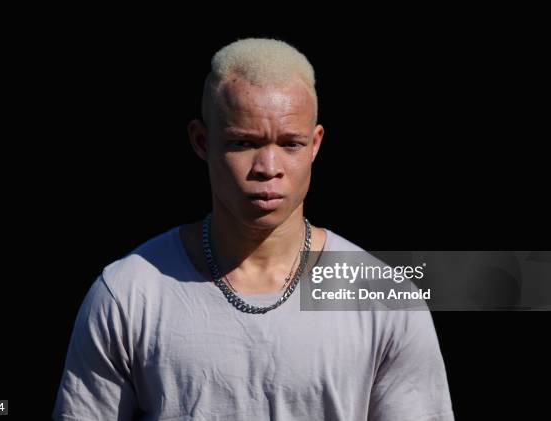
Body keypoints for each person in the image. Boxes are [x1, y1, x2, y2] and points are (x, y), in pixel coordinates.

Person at [53, 38, 454, 420]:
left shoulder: (383, 299)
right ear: (200, 141)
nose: (268, 167)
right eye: (243, 143)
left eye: (290, 144)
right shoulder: (129, 294)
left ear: (315, 145)